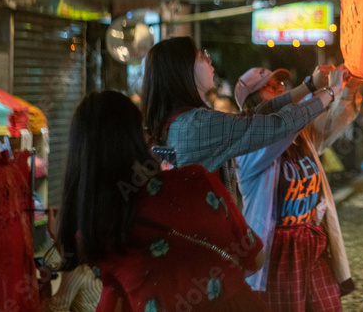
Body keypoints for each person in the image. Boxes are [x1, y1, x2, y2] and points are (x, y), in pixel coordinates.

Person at [56, 91, 266, 310]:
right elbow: (257, 258)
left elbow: (114, 296)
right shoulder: (195, 179)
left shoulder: (94, 232)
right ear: (137, 138)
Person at [233, 65, 360, 310]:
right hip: (279, 250)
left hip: (312, 240)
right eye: (270, 88)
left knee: (328, 305)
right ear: (253, 103)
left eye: (280, 84)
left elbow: (334, 122)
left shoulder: (302, 134)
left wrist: (348, 89)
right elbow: (286, 125)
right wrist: (324, 90)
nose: (281, 88)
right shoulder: (248, 144)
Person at [141, 36, 340, 173]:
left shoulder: (181, 122)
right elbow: (275, 124)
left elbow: (252, 117)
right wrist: (331, 92)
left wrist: (311, 86)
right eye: (201, 56)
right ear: (183, 70)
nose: (209, 59)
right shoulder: (197, 125)